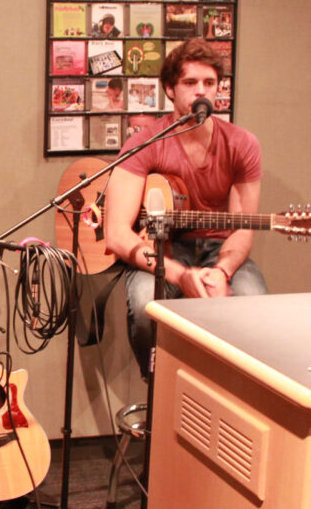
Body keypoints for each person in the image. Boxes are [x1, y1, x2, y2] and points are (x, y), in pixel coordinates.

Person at [104, 39, 267, 376]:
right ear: (170, 89)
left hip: (221, 250)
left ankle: (234, 399)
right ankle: (161, 391)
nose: (201, 92)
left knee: (253, 304)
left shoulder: (242, 144)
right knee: (145, 304)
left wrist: (222, 272)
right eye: (190, 83)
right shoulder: (144, 144)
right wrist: (181, 274)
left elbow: (243, 225)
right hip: (162, 250)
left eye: (209, 83)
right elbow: (117, 234)